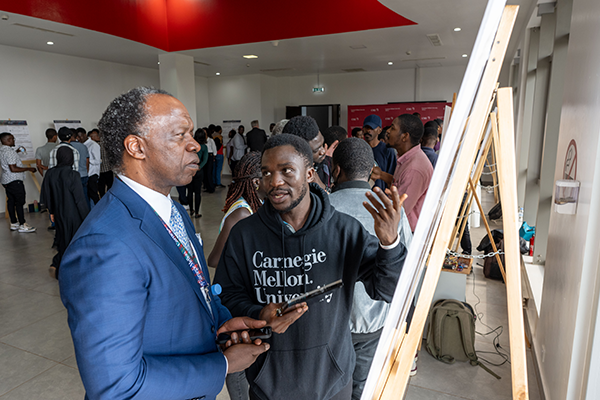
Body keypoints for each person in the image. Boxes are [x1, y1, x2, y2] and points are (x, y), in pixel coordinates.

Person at [59, 87, 270, 400]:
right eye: (179, 135)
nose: (194, 144)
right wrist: (222, 365)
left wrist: (223, 322)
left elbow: (189, 286)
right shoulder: (104, 246)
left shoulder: (168, 208)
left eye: (191, 132)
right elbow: (117, 385)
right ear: (137, 147)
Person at [214, 133, 407, 400]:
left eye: (286, 171)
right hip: (269, 383)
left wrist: (390, 243)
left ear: (309, 173)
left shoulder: (345, 230)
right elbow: (228, 297)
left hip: (333, 381)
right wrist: (259, 313)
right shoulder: (244, 234)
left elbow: (389, 289)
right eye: (267, 173)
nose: (275, 182)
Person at [329, 138, 413, 400]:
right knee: (364, 387)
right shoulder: (390, 210)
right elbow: (405, 267)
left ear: (336, 170)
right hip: (376, 321)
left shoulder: (321, 209)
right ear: (371, 170)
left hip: (332, 324)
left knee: (332, 386)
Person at [208, 151, 265, 400]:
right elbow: (215, 258)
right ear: (254, 181)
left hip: (246, 291)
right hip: (232, 295)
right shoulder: (241, 213)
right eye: (268, 174)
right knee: (238, 363)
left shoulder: (254, 206)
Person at [372, 114, 433, 232]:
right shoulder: (406, 159)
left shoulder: (414, 168)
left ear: (405, 136)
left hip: (410, 233)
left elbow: (399, 210)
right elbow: (400, 183)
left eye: (393, 128)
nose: (388, 131)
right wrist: (381, 175)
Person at [41, 146, 89, 279]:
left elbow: (47, 194)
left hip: (58, 214)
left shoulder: (50, 173)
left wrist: (51, 211)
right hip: (73, 215)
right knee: (74, 242)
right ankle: (70, 270)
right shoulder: (73, 175)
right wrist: (88, 218)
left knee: (63, 238)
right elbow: (80, 200)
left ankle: (57, 264)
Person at [0, 132, 36, 233]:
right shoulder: (9, 152)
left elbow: (8, 161)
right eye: (12, 139)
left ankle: (14, 223)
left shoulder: (2, 150)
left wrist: (17, 151)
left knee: (11, 201)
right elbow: (13, 168)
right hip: (15, 181)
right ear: (6, 140)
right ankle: (22, 224)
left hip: (6, 181)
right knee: (20, 202)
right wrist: (29, 168)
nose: (14, 140)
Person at [282, 116, 329, 190]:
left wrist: (323, 188)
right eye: (316, 150)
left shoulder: (328, 164)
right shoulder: (287, 178)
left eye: (322, 145)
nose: (323, 151)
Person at [362, 114, 396, 191]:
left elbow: (393, 179)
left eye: (372, 128)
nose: (368, 131)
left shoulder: (388, 151)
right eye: (366, 127)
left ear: (379, 130)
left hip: (381, 197)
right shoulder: (358, 149)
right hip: (362, 196)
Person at [77, 128, 102, 206]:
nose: (79, 138)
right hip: (86, 174)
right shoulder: (82, 145)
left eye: (80, 136)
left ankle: (99, 210)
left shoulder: (94, 145)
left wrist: (87, 160)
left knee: (93, 194)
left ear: (85, 135)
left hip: (92, 174)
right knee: (87, 195)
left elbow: (98, 161)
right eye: (77, 137)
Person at [187, 128, 209, 218]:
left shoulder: (191, 146)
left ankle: (191, 210)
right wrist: (199, 167)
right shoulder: (204, 147)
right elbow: (205, 159)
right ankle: (197, 212)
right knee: (197, 192)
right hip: (199, 170)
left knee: (189, 191)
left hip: (190, 170)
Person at [71, 128, 91, 202]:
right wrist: (86, 172)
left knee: (73, 199)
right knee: (85, 197)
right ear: (77, 137)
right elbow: (87, 161)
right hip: (84, 174)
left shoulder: (68, 147)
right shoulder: (83, 146)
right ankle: (87, 212)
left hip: (73, 176)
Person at [96, 129, 114, 197]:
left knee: (101, 187)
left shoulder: (96, 145)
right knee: (110, 186)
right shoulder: (108, 144)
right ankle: (110, 198)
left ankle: (103, 198)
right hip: (108, 168)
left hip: (100, 170)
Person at [204, 127, 216, 193]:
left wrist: (214, 157)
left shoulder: (211, 140)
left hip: (210, 156)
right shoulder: (202, 140)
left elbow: (214, 150)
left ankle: (211, 188)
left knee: (209, 173)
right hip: (204, 156)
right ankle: (207, 187)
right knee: (205, 173)